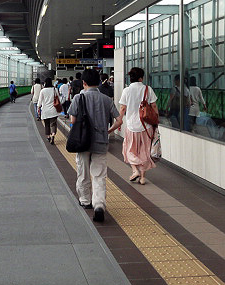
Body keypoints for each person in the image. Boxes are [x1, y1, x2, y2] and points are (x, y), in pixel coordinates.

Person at [68, 69, 122, 222]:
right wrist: (107, 130)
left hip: (82, 143)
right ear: (98, 82)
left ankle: (85, 201)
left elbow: (72, 120)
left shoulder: (78, 98)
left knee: (83, 172)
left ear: (83, 83)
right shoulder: (106, 99)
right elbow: (119, 121)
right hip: (100, 142)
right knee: (99, 175)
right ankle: (99, 205)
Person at [112, 67, 159, 185]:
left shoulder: (126, 91)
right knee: (144, 151)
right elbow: (154, 106)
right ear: (141, 78)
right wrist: (156, 121)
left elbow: (123, 108)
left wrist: (119, 121)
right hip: (146, 126)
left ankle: (134, 170)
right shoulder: (148, 89)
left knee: (128, 149)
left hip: (132, 126)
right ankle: (142, 178)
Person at [37, 78, 61, 144]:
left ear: (45, 83)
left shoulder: (43, 91)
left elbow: (39, 101)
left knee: (47, 124)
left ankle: (48, 137)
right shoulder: (54, 89)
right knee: (53, 124)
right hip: (53, 110)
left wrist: (38, 107)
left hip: (45, 111)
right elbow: (58, 98)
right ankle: (53, 134)